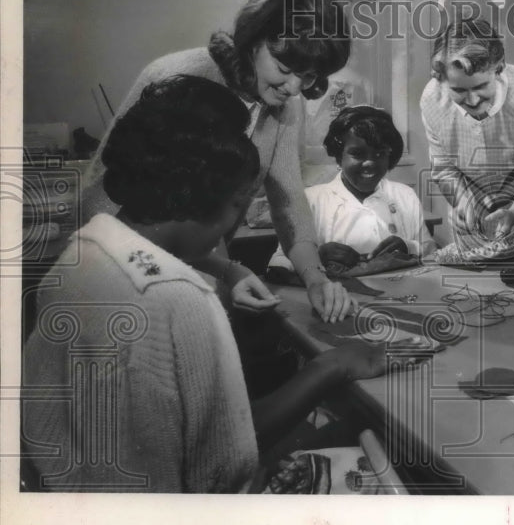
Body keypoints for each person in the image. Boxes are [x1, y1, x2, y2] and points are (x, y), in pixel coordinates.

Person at [23, 77, 386, 493]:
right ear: (211, 198)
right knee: (378, 462)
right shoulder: (179, 299)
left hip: (65, 495)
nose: (235, 220)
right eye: (240, 203)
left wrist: (227, 270)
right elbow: (222, 465)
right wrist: (331, 366)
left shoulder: (82, 251)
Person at [81, 0, 352, 322]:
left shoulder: (284, 106)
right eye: (285, 67)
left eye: (310, 76)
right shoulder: (177, 76)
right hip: (121, 268)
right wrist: (222, 268)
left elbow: (289, 200)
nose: (295, 88)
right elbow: (99, 200)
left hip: (195, 266)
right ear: (252, 39)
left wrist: (315, 278)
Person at [420, 16, 514, 258]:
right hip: (470, 197)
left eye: (481, 87)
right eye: (459, 90)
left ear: (499, 67)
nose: (472, 101)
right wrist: (465, 207)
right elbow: (444, 170)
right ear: (440, 78)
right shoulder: (431, 101)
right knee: (477, 284)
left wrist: (513, 213)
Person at [267, 105, 435, 276]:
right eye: (358, 154)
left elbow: (432, 253)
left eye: (379, 154)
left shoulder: (404, 195)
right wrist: (315, 257)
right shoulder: (312, 200)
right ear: (339, 156)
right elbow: (277, 265)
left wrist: (409, 246)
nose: (369, 163)